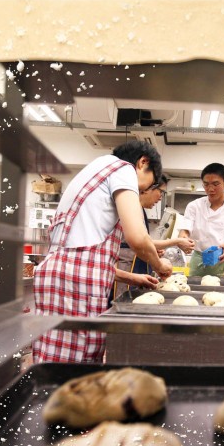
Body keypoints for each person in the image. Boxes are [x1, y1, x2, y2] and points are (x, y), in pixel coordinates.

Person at [32, 140, 173, 363]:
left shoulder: (96, 169)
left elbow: (85, 253)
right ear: (142, 162)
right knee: (78, 367)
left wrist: (132, 277)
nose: (144, 191)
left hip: (58, 277)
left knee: (52, 360)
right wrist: (160, 265)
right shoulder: (122, 169)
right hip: (77, 285)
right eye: (148, 184)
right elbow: (137, 238)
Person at [110, 174, 195, 299]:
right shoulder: (129, 209)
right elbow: (140, 241)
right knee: (124, 301)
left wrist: (151, 251)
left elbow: (145, 242)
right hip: (127, 266)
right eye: (160, 192)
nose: (160, 198)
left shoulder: (139, 210)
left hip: (136, 266)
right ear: (146, 188)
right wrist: (160, 259)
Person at [179, 162, 224, 277]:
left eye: (215, 184)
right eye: (206, 184)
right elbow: (184, 231)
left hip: (221, 261)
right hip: (198, 261)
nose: (210, 189)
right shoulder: (194, 206)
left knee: (220, 293)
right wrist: (183, 240)